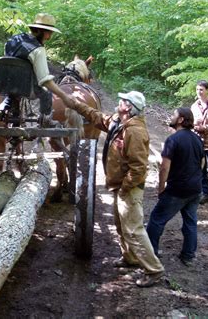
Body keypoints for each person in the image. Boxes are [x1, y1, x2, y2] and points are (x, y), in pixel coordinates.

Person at [60, 90, 165, 288]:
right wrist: (73, 103)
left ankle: (154, 270)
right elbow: (95, 116)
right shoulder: (120, 123)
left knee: (133, 229)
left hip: (129, 188)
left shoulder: (134, 131)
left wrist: (125, 187)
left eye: (123, 100)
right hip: (120, 186)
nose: (119, 101)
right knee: (120, 224)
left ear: (130, 107)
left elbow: (139, 167)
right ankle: (130, 258)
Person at [0, 13, 66, 127]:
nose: (49, 37)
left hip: (5, 83)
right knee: (47, 91)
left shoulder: (12, 40)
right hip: (26, 87)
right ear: (42, 31)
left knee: (13, 93)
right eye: (49, 32)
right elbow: (44, 78)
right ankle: (46, 118)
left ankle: (0, 111)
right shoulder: (38, 49)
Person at [146, 108, 205, 266]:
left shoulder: (173, 140)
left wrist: (160, 189)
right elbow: (202, 163)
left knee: (156, 220)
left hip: (177, 190)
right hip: (195, 189)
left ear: (180, 120)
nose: (171, 117)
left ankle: (150, 255)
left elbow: (164, 167)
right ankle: (188, 256)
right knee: (190, 222)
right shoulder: (197, 139)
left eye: (174, 115)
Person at [191, 80, 208, 205]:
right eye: (197, 89)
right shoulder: (194, 106)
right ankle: (204, 194)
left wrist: (206, 127)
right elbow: (190, 123)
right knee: (200, 171)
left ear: (207, 90)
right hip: (198, 143)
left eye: (201, 89)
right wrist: (194, 126)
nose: (199, 92)